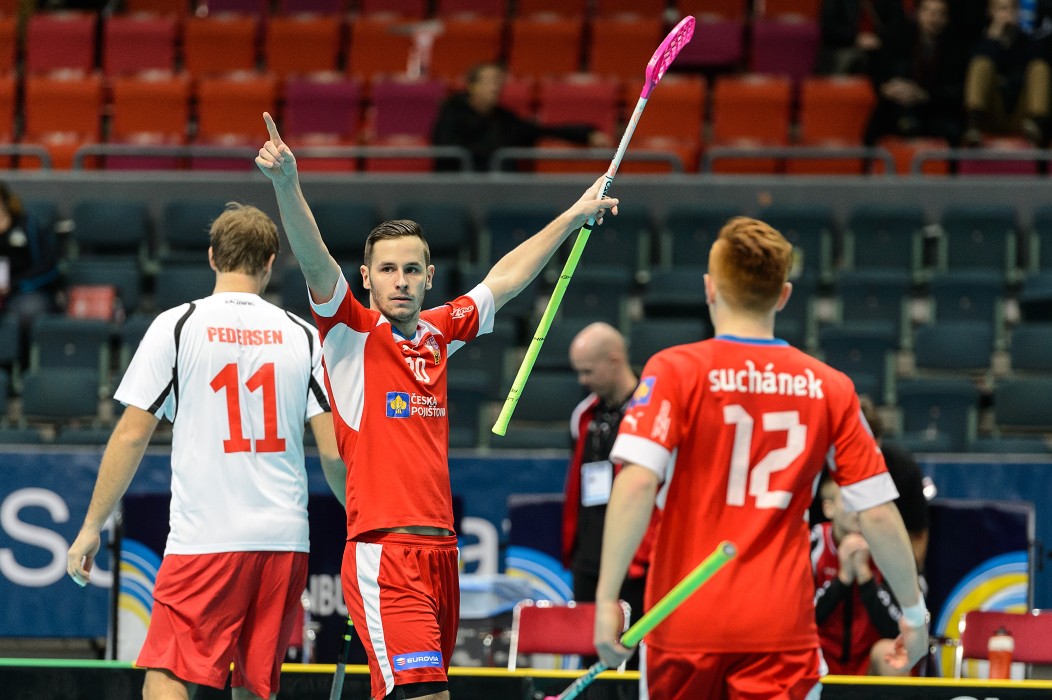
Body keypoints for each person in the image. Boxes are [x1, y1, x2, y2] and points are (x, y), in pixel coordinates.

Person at [256, 112, 618, 700]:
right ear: (368, 280)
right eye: (387, 270)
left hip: (442, 555)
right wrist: (287, 184)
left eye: (412, 270)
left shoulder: (436, 334)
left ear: (428, 277)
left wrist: (574, 214)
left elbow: (505, 279)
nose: (400, 280)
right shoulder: (349, 332)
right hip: (385, 553)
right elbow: (317, 261)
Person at [592, 217, 928, 699]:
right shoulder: (829, 387)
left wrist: (607, 599)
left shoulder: (674, 370)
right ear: (784, 295)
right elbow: (875, 512)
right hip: (780, 631)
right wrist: (914, 617)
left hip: (684, 624)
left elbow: (637, 482)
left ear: (710, 289)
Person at [66, 203, 346, 700]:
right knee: (255, 685)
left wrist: (91, 527)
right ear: (271, 261)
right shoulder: (305, 337)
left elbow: (131, 435)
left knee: (169, 673)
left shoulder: (178, 326)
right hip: (283, 541)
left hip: (206, 540)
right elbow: (334, 453)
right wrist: (366, 522)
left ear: (213, 257)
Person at [563, 322, 657, 669]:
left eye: (588, 371)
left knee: (634, 656)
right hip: (589, 559)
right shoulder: (583, 415)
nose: (582, 380)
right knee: (591, 657)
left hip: (637, 559)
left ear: (615, 360)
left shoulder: (651, 412)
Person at [431, 62, 610, 172]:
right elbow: (446, 152)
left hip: (501, 191)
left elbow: (541, 130)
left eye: (500, 81)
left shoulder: (504, 119)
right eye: (491, 80)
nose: (497, 86)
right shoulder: (452, 112)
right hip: (456, 187)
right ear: (472, 85)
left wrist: (586, 133)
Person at [812, 474, 909, 676]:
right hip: (819, 658)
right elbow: (802, 621)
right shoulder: (811, 544)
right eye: (849, 499)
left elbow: (898, 631)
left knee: (892, 654)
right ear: (828, 508)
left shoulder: (888, 548)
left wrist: (865, 577)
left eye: (863, 501)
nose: (858, 509)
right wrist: (842, 579)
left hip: (868, 662)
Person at [863, 0, 969, 147]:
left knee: (954, 131)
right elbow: (878, 70)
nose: (934, 18)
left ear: (946, 19)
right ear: (919, 14)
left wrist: (924, 95)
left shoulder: (956, 48)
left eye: (940, 14)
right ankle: (865, 168)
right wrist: (886, 88)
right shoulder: (899, 37)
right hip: (897, 106)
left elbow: (956, 92)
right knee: (874, 127)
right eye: (929, 12)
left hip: (935, 110)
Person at [962, 0, 1051, 147]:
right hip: (990, 113)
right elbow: (971, 68)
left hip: (1021, 116)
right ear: (991, 12)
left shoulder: (1027, 42)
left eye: (1012, 9)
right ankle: (973, 125)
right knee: (981, 64)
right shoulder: (980, 41)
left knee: (1039, 67)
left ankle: (1037, 123)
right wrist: (992, 39)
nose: (1007, 14)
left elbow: (1039, 62)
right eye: (1002, 9)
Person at [0, 181, 58, 359]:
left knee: (29, 311)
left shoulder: (27, 225)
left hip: (25, 292)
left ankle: (24, 368)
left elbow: (49, 267)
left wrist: (14, 286)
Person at [818, 0, 907, 75]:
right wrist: (855, 38)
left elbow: (898, 26)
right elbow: (828, 27)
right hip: (844, 48)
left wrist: (878, 39)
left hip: (882, 49)